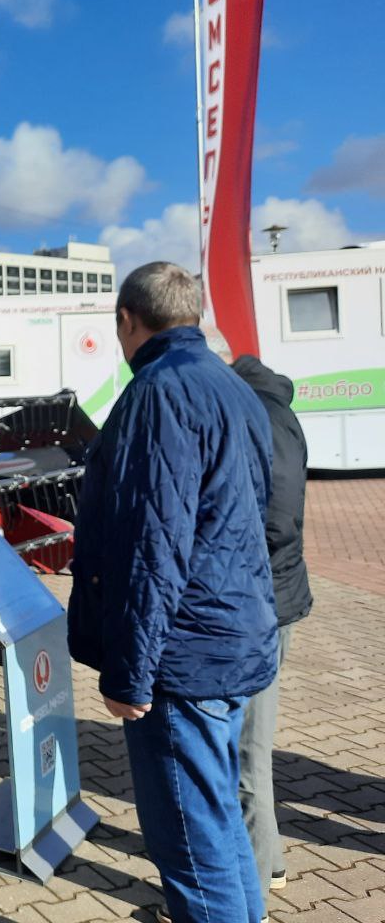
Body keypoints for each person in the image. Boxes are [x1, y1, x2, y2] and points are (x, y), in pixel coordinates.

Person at [67, 262, 278, 923]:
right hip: (232, 636)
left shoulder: (158, 394)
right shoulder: (233, 387)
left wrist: (129, 675)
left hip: (182, 659)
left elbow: (152, 545)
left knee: (190, 848)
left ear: (127, 321)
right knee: (219, 832)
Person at [231, 354, 314, 903]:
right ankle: (271, 860)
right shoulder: (278, 409)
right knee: (249, 741)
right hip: (279, 595)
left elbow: (275, 519)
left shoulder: (255, 415)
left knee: (247, 748)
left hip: (261, 602)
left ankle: (254, 881)